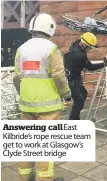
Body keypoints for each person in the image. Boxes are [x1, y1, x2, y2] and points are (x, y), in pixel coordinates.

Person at [13, 13, 71, 181]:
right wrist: (66, 94)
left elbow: (17, 78)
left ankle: (25, 177)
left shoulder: (21, 49)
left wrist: (24, 94)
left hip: (26, 105)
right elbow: (59, 77)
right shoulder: (52, 50)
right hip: (48, 108)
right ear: (50, 28)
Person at [63, 32, 107, 120]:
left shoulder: (76, 44)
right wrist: (104, 64)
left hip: (74, 76)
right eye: (89, 47)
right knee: (79, 101)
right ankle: (71, 121)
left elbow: (87, 39)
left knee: (83, 93)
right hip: (71, 79)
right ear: (85, 45)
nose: (90, 49)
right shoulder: (79, 55)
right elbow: (90, 67)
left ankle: (76, 117)